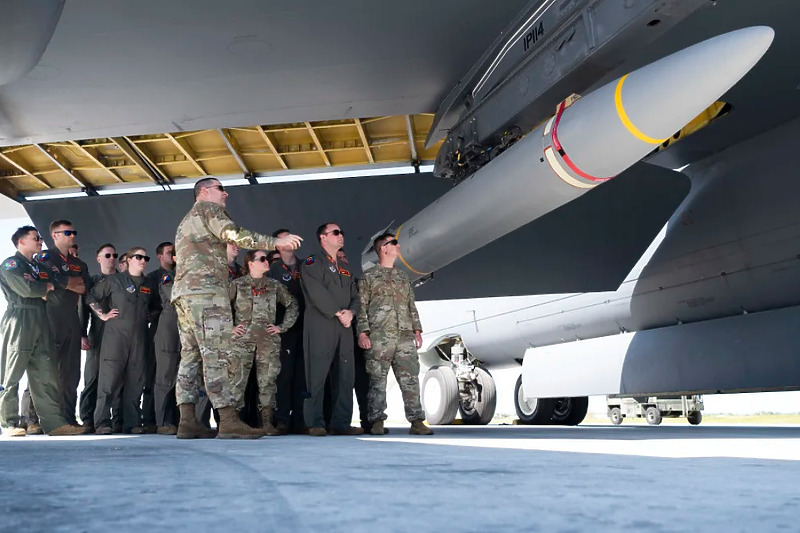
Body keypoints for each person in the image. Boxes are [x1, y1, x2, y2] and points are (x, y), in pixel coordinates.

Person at [171, 177, 301, 439]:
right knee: (217, 354)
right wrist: (275, 242)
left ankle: (187, 420)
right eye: (221, 189)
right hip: (206, 293)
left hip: (185, 294)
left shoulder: (186, 220)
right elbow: (234, 234)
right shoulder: (209, 209)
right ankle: (228, 419)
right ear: (204, 192)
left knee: (191, 355)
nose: (226, 194)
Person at [0, 226, 83, 436]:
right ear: (21, 242)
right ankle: (9, 422)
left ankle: (54, 423)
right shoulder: (12, 264)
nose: (40, 241)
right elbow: (27, 289)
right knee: (12, 371)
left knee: (46, 372)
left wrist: (46, 286)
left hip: (41, 317)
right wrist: (45, 287)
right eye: (35, 238)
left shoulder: (37, 266)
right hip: (20, 317)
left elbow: (53, 284)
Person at [357, 233, 433, 436]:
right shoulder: (369, 277)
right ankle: (376, 422)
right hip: (379, 337)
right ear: (383, 248)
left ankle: (417, 421)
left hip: (405, 336)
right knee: (377, 381)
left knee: (410, 380)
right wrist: (363, 333)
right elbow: (361, 307)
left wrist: (417, 329)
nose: (398, 246)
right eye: (394, 243)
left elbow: (411, 305)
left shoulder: (403, 277)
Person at [28, 220, 91, 428]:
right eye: (67, 232)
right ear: (55, 235)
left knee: (71, 373)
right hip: (50, 319)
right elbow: (46, 282)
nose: (72, 236)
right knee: (46, 369)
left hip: (71, 320)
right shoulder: (44, 257)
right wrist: (67, 282)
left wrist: (62, 283)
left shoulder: (80, 265)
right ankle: (33, 419)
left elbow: (83, 289)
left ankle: (68, 417)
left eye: (74, 232)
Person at [300, 223, 361, 436]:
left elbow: (355, 294)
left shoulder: (344, 266)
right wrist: (338, 312)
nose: (341, 235)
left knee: (345, 374)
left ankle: (341, 422)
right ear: (323, 238)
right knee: (316, 373)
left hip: (344, 325)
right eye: (336, 232)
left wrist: (351, 313)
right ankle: (315, 422)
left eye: (341, 232)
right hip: (321, 323)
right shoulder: (312, 262)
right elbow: (317, 293)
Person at [230, 250, 298, 435]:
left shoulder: (274, 286)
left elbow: (292, 305)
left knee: (267, 381)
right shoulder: (237, 285)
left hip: (268, 341)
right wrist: (230, 328)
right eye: (262, 259)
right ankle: (232, 422)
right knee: (237, 381)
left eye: (267, 259)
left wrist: (281, 327)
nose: (266, 262)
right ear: (251, 264)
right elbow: (221, 308)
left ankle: (266, 422)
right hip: (241, 342)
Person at [87, 247, 153, 434]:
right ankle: (102, 423)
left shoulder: (148, 284)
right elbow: (91, 296)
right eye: (139, 257)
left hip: (139, 338)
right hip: (115, 338)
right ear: (129, 260)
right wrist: (102, 314)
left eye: (145, 257)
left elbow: (155, 306)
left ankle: (132, 423)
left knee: (135, 382)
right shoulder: (114, 281)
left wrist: (149, 315)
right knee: (108, 382)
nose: (143, 260)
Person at [78, 243, 120, 432]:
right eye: (107, 255)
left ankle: (113, 419)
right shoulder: (93, 281)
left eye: (114, 255)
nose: (112, 258)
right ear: (99, 259)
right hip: (97, 332)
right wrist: (82, 334)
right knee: (92, 376)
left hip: (119, 336)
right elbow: (83, 310)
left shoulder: (123, 281)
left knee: (115, 379)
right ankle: (88, 418)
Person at [268, 228, 306, 434]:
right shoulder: (272, 269)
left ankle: (300, 419)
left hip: (305, 327)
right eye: (285, 239)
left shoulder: (306, 266)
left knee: (302, 375)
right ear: (277, 245)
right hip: (282, 329)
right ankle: (282, 419)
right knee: (283, 375)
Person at [337, 248, 373, 433]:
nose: (343, 260)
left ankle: (368, 421)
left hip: (357, 338)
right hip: (337, 338)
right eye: (339, 258)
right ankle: (339, 421)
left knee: (362, 381)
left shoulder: (357, 283)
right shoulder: (330, 285)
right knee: (341, 382)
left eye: (345, 257)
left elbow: (363, 308)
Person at [142, 241, 176, 433]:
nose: (173, 256)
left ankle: (175, 419)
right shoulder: (155, 278)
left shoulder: (181, 275)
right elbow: (146, 304)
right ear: (160, 256)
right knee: (157, 375)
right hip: (160, 329)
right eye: (169, 252)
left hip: (177, 329)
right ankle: (155, 419)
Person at [153, 264, 179, 434]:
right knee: (166, 375)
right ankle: (163, 421)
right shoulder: (168, 276)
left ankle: (184, 419)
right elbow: (175, 297)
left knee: (186, 377)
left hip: (189, 327)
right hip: (170, 327)